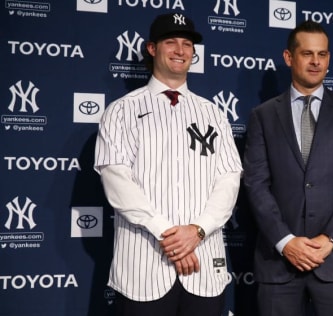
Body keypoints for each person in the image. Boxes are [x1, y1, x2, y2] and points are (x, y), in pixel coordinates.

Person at [94, 13, 242, 316]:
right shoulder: (122, 111)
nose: (180, 50)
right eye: (171, 42)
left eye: (187, 44)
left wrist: (197, 231)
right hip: (144, 266)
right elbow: (117, 182)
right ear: (152, 49)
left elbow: (229, 180)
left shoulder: (213, 113)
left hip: (203, 266)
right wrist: (170, 236)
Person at [243, 20, 333, 316]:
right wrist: (286, 241)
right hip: (279, 264)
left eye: (323, 54)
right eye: (307, 54)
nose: (316, 62)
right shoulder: (263, 116)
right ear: (289, 57)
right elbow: (256, 183)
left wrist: (329, 239)